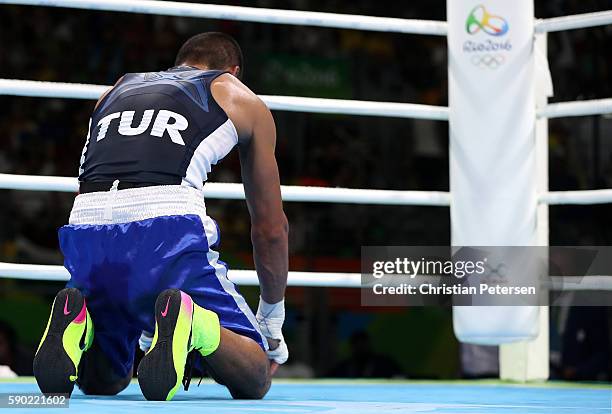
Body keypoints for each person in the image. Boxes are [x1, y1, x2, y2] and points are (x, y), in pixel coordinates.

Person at [33, 32, 289, 401]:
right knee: (255, 374)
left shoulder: (116, 89)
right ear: (234, 72)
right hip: (162, 226)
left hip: (84, 226)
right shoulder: (237, 95)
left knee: (105, 381)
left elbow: (89, 179)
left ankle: (82, 325)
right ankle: (195, 323)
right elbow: (270, 229)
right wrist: (272, 322)